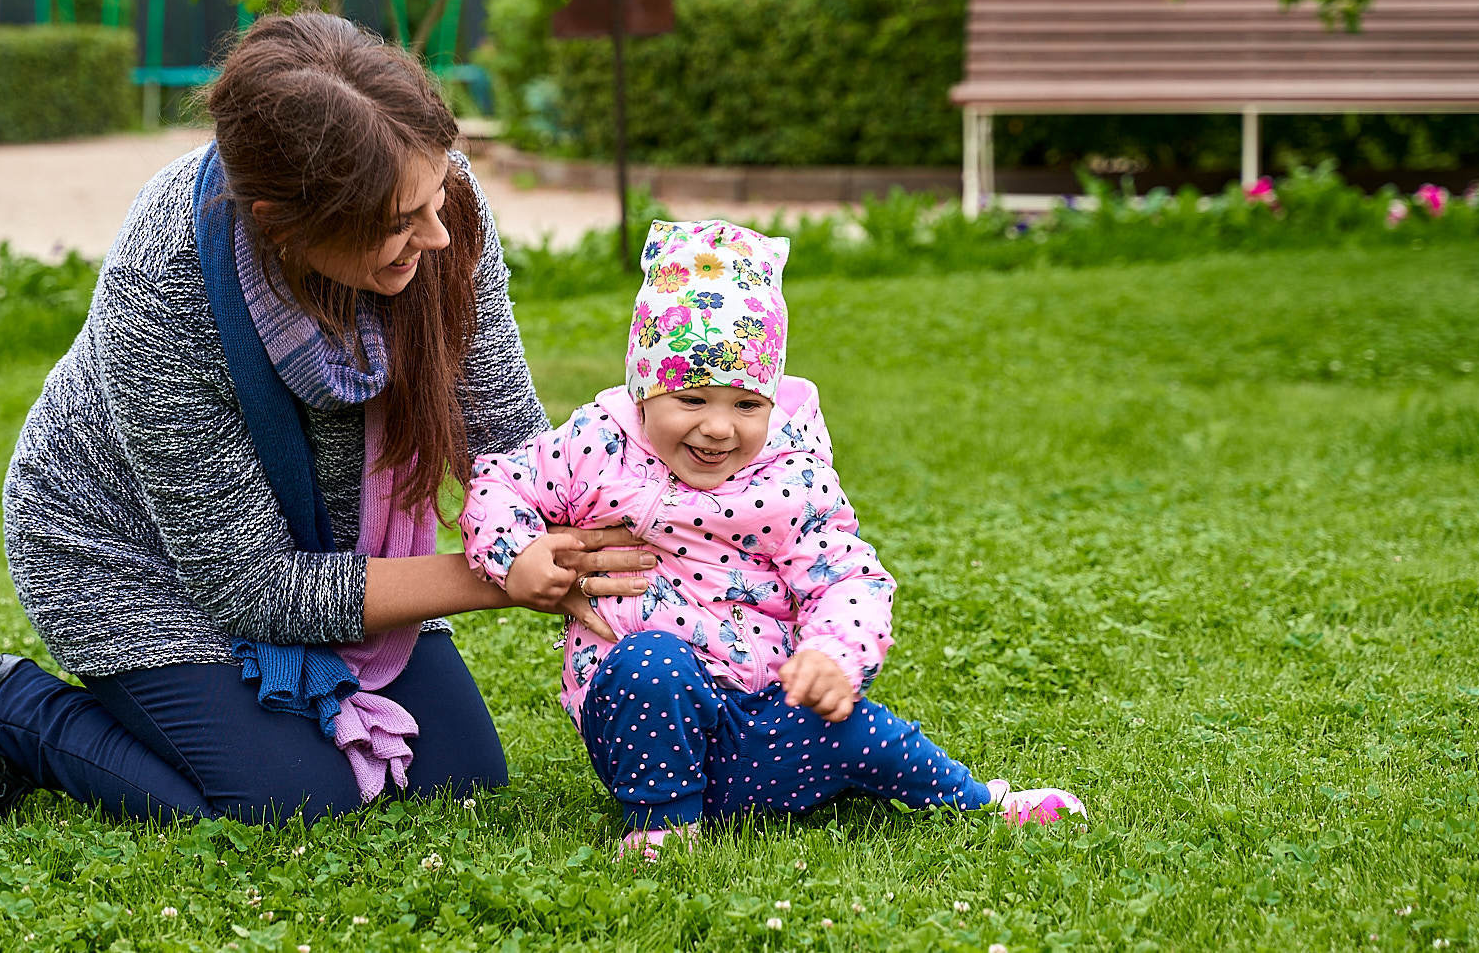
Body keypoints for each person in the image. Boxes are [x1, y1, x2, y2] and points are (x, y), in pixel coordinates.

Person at [0, 12, 655, 837]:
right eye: (399, 221)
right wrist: (500, 575)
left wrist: (677, 558)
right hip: (132, 558)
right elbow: (251, 585)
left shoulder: (429, 194)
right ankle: (11, 713)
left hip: (334, 546)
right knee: (294, 801)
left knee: (460, 780)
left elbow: (510, 437)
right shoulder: (160, 288)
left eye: (439, 192)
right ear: (280, 222)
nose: (439, 232)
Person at [458, 218, 1087, 860]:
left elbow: (846, 576)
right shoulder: (597, 446)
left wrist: (833, 658)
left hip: (766, 715)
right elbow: (501, 479)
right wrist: (516, 555)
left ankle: (979, 802)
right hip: (651, 719)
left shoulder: (792, 477)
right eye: (692, 399)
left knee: (861, 731)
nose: (718, 428)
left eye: (747, 404)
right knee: (651, 665)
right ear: (643, 391)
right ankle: (663, 824)